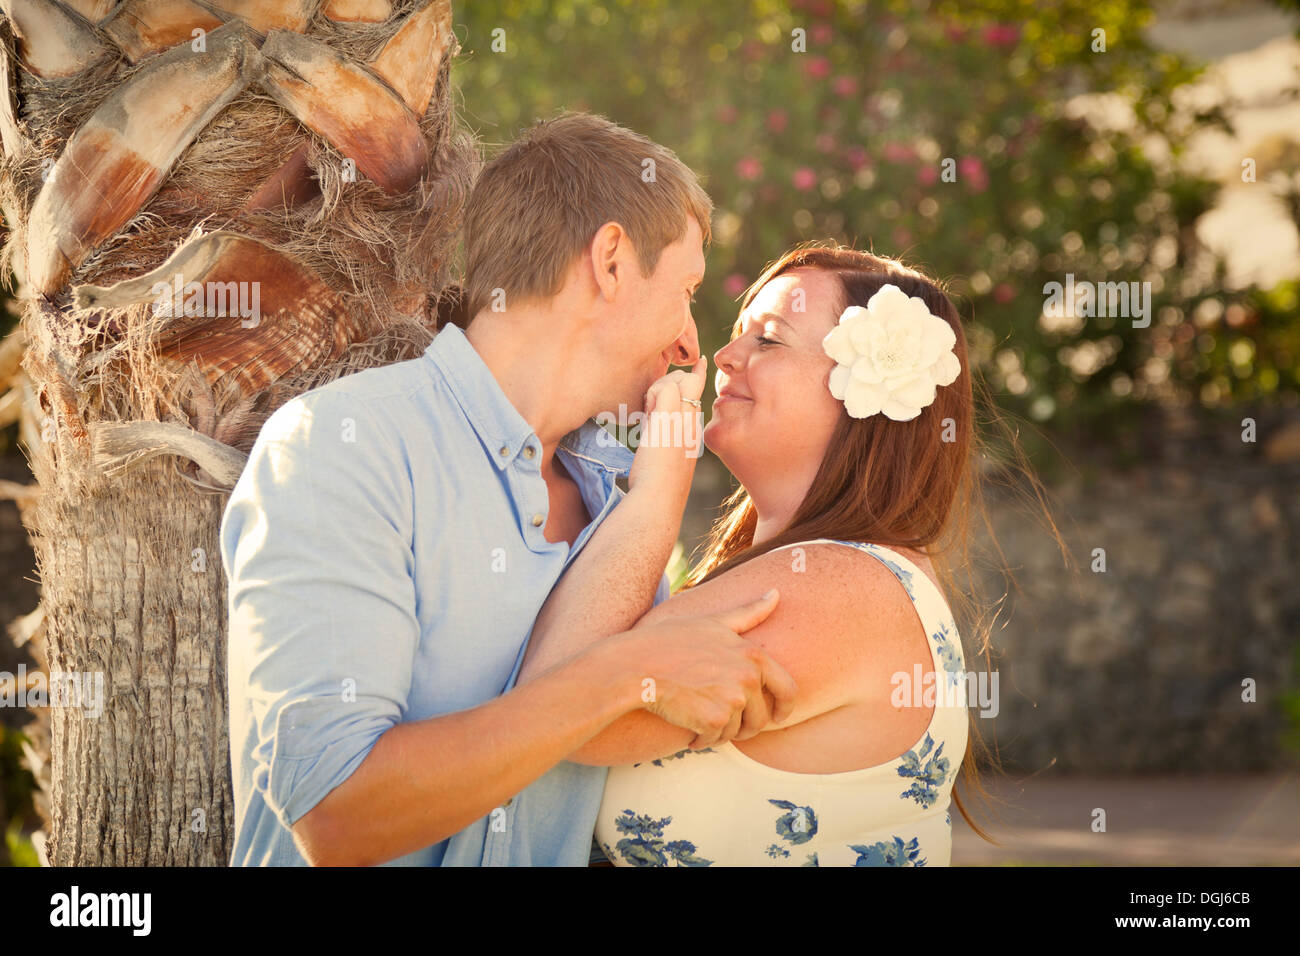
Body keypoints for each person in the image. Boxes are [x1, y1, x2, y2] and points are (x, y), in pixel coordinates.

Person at [219, 111, 797, 867]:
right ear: (612, 262)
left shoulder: (626, 505)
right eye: (686, 289)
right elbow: (337, 814)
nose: (693, 342)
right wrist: (629, 674)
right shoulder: (343, 446)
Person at [518, 243, 979, 866]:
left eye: (768, 340)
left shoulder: (836, 587)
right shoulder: (840, 571)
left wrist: (658, 492)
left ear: (864, 392)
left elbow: (547, 712)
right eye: (738, 335)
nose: (726, 357)